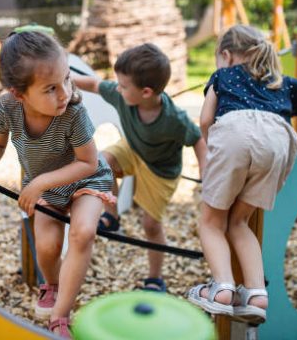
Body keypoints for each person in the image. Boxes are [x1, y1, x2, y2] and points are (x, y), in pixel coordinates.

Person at [0, 30, 115, 338]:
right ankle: (52, 284)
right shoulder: (6, 109)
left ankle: (61, 315)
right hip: (47, 190)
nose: (64, 94)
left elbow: (88, 163)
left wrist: (40, 182)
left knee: (82, 233)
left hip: (86, 179)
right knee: (47, 245)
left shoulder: (73, 112)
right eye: (51, 88)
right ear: (19, 93)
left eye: (67, 80)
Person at [188, 24, 297, 324]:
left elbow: (205, 119)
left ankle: (222, 290)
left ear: (226, 55)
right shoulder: (281, 81)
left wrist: (215, 147)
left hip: (235, 132)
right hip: (279, 141)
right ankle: (256, 295)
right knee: (239, 221)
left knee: (211, 221)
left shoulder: (223, 76)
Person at [72, 43, 207, 292]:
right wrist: (65, 78)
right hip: (134, 148)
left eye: (123, 86)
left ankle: (155, 278)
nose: (118, 89)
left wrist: (205, 171)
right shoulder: (123, 95)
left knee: (150, 226)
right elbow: (93, 84)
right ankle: (111, 216)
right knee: (101, 162)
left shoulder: (173, 119)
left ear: (146, 92)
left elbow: (197, 138)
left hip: (161, 170)